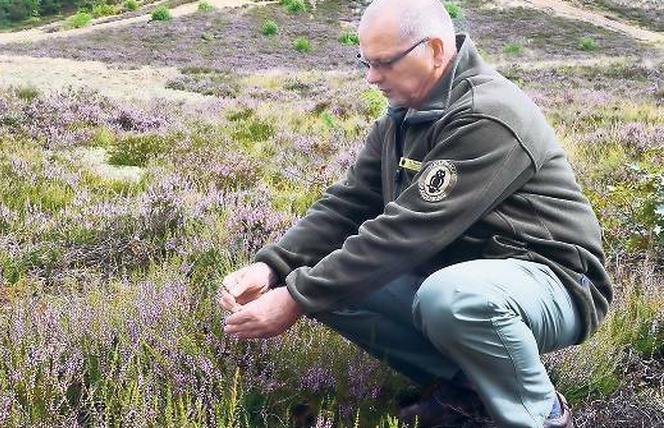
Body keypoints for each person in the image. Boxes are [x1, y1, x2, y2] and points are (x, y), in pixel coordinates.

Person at [216, 0, 612, 427]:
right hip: (466, 274)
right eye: (365, 62)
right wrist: (272, 267)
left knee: (452, 299)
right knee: (315, 275)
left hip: (556, 281)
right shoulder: (403, 115)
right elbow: (349, 202)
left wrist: (294, 299)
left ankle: (541, 415)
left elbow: (407, 232)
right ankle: (471, 392)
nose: (371, 77)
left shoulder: (486, 115)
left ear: (436, 51)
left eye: (384, 63)